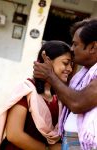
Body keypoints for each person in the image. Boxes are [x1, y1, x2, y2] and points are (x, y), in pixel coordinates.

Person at [0, 40, 73, 150]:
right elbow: (14, 135)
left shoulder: (58, 99)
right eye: (65, 63)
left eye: (71, 64)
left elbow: (56, 141)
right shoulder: (27, 91)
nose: (70, 69)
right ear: (47, 61)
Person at [33, 18, 97, 150]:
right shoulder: (84, 74)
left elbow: (78, 103)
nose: (72, 49)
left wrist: (50, 75)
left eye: (75, 44)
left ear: (93, 47)